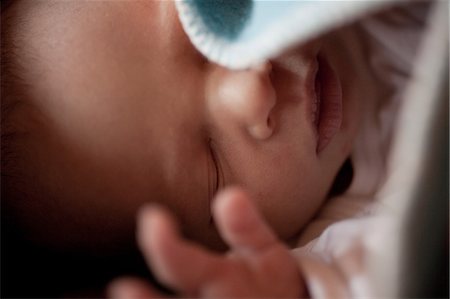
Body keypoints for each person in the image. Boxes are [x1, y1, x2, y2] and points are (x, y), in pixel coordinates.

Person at [1, 0, 431, 297]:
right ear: (218, 250)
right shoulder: (342, 255)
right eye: (213, 165)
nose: (250, 94)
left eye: (200, 40)